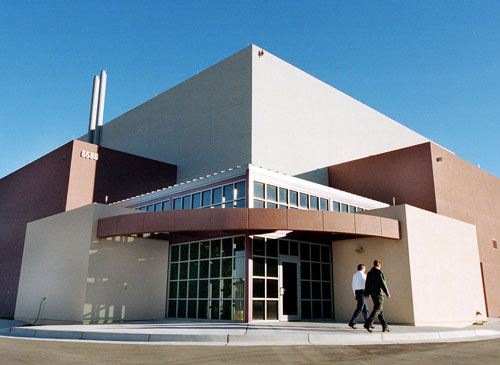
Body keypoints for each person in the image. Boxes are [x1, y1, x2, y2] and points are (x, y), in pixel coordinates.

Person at [364, 259, 390, 333]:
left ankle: (385, 326)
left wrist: (367, 293)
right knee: (378, 309)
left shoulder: (369, 273)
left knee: (380, 310)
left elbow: (367, 283)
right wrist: (387, 293)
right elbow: (382, 283)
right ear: (379, 265)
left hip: (373, 293)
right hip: (379, 293)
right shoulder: (379, 272)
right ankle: (368, 324)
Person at [348, 264, 369, 329]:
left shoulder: (354, 275)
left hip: (357, 292)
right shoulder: (364, 275)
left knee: (365, 309)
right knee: (360, 308)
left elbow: (353, 285)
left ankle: (368, 323)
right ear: (362, 268)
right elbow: (366, 284)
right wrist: (368, 293)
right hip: (362, 292)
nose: (365, 269)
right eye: (365, 268)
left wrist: (354, 294)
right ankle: (352, 323)